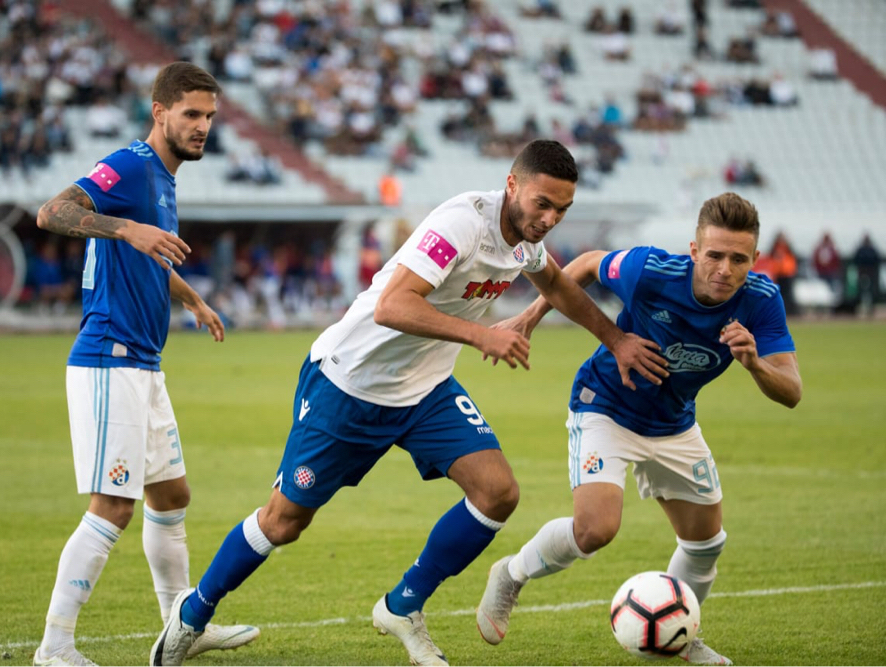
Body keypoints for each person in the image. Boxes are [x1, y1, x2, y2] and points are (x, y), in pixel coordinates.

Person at [150, 140, 668, 666]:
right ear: (513, 185)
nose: (550, 219)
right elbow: (393, 306)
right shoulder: (462, 224)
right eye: (543, 204)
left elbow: (556, 284)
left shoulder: (525, 244)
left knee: (497, 493)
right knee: (283, 521)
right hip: (349, 384)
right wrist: (481, 335)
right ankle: (192, 614)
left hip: (425, 389)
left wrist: (616, 339)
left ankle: (403, 605)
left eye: (562, 209)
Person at [476, 192, 802, 666]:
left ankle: (679, 636)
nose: (725, 269)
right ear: (694, 250)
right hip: (606, 406)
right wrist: (530, 317)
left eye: (739, 259)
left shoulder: (761, 300)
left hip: (674, 422)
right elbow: (587, 264)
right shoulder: (651, 271)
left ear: (755, 258)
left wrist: (755, 364)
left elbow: (791, 391)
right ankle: (511, 573)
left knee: (706, 544)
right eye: (714, 255)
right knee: (595, 529)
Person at [32, 62, 259, 667]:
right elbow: (51, 212)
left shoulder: (163, 179)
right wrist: (127, 228)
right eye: (191, 114)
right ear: (159, 112)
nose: (203, 126)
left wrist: (193, 300)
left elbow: (151, 258)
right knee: (113, 506)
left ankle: (179, 627)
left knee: (172, 495)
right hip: (109, 358)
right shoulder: (131, 166)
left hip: (143, 363)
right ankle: (55, 647)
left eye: (210, 116)